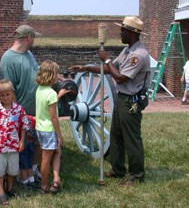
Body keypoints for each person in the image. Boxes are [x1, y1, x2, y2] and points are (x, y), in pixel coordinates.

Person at [69, 16, 151, 187]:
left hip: (131, 102)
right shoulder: (128, 50)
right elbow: (110, 68)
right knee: (116, 135)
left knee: (132, 138)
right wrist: (85, 67)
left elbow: (120, 78)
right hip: (122, 99)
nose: (120, 33)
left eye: (123, 30)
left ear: (131, 32)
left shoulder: (139, 55)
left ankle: (136, 175)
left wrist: (106, 58)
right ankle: (118, 168)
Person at [0, 24, 42, 182]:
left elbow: (35, 72)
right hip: (24, 112)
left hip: (38, 109)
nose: (34, 41)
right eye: (34, 38)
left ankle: (33, 169)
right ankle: (22, 173)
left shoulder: (29, 54)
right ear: (28, 38)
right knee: (25, 147)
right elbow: (8, 90)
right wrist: (19, 115)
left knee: (38, 143)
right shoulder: (8, 59)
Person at [0, 79, 29, 205]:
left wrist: (22, 141)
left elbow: (24, 125)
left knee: (12, 169)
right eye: (2, 95)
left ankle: (10, 188)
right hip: (0, 146)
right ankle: (1, 191)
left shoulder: (19, 110)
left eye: (7, 94)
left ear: (12, 94)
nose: (5, 97)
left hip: (13, 145)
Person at [35, 60, 69, 193]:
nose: (58, 76)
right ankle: (44, 185)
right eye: (56, 73)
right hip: (49, 130)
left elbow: (46, 104)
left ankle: (56, 179)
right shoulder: (51, 94)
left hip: (40, 128)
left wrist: (58, 96)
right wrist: (59, 135)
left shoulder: (40, 89)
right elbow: (54, 117)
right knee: (46, 158)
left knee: (57, 152)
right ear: (51, 75)